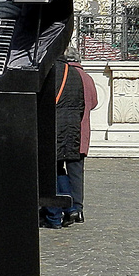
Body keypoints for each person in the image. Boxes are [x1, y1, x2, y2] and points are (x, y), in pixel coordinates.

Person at [43, 55, 86, 229]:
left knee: (49, 171)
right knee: (60, 169)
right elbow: (81, 105)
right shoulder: (75, 74)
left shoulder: (48, 72)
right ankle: (71, 207)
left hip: (52, 129)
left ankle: (53, 216)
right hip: (72, 130)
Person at [64, 55, 97, 226]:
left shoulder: (65, 75)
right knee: (76, 171)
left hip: (65, 131)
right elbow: (94, 102)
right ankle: (78, 209)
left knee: (59, 170)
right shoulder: (87, 77)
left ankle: (67, 206)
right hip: (82, 131)